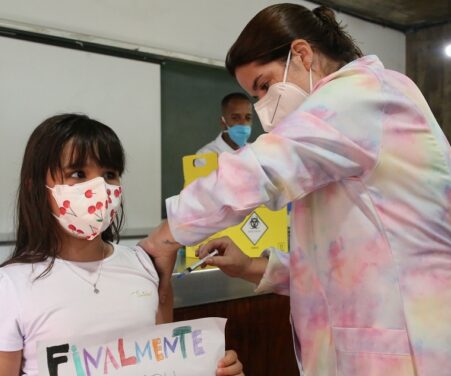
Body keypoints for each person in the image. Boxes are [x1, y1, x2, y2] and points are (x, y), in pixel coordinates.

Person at [140, 4, 451, 376]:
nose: (262, 109)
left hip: (408, 348)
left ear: (302, 54)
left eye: (265, 86)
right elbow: (341, 264)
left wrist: (165, 235)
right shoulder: (338, 135)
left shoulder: (363, 93)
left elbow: (258, 170)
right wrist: (254, 267)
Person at [0, 114, 244, 376]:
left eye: (110, 174)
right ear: (35, 187)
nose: (99, 187)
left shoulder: (146, 267)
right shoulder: (6, 286)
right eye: (78, 173)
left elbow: (167, 364)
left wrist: (211, 369)